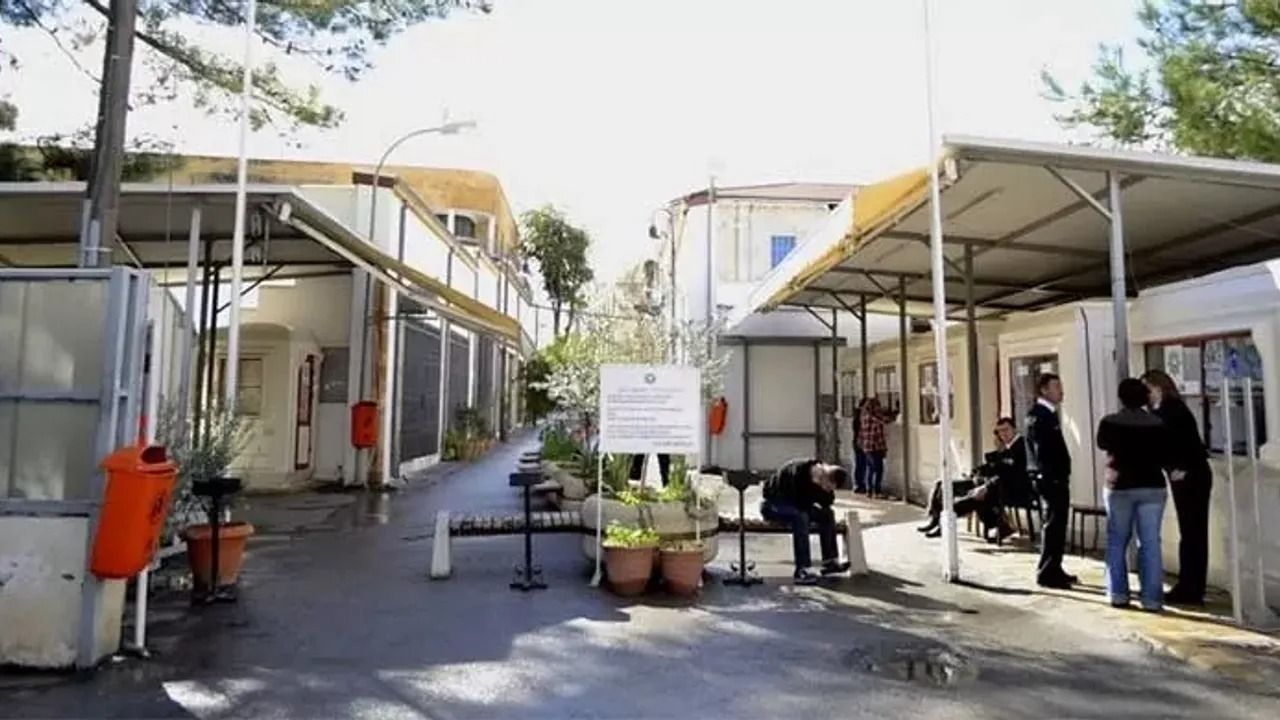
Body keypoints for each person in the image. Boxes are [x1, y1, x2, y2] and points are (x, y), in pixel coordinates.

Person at [1097, 379, 1174, 611]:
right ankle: (1152, 598)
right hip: (1151, 485)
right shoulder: (1157, 423)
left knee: (1117, 540)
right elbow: (1165, 453)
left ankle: (1118, 593)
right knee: (1150, 542)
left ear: (1121, 398)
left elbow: (1102, 444)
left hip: (1119, 485)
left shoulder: (1109, 422)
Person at [1143, 369, 1211, 606]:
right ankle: (1190, 585)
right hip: (1185, 474)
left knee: (1193, 532)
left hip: (1191, 475)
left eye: (1147, 389)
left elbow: (1187, 445)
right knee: (1191, 532)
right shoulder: (1164, 411)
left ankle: (1191, 587)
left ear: (1158, 387)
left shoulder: (1172, 410)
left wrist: (1182, 468)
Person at [918, 418, 1028, 541]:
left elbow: (1009, 474)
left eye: (1006, 430)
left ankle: (943, 525)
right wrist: (976, 473)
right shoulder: (1005, 447)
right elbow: (994, 466)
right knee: (943, 485)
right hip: (989, 483)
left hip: (1008, 488)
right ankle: (935, 519)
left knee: (969, 500)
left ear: (1014, 429)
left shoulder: (1021, 446)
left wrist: (985, 487)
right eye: (1000, 431)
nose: (1003, 434)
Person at [761, 458, 852, 585]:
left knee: (827, 514)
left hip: (798, 505)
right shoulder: (798, 473)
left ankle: (830, 561)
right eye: (828, 485)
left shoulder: (822, 479)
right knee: (801, 517)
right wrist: (817, 487)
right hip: (774, 505)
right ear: (823, 476)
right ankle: (802, 569)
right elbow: (797, 502)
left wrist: (825, 490)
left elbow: (827, 503)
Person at [1026, 373, 1076, 589]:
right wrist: (1051, 476)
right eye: (1056, 386)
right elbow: (1042, 451)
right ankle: (1047, 572)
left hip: (1054, 477)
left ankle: (1055, 566)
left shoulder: (1049, 414)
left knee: (1058, 524)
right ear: (1044, 390)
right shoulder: (1039, 415)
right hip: (1050, 479)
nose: (1061, 391)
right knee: (1054, 525)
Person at [857, 397, 895, 498]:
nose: (879, 408)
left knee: (870, 469)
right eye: (878, 406)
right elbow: (881, 428)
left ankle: (869, 490)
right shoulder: (875, 419)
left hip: (867, 447)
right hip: (875, 447)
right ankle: (877, 491)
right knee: (879, 470)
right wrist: (884, 448)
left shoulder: (864, 417)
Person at [852, 400, 868, 493]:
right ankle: (859, 484)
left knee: (860, 463)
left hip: (858, 442)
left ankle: (859, 484)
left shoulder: (857, 416)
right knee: (861, 463)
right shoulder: (861, 416)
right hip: (860, 442)